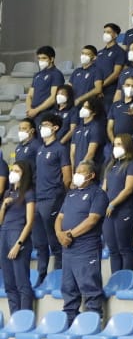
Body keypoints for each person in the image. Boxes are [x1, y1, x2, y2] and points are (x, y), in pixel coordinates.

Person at [56, 161, 107, 323]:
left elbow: (92, 220)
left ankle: (93, 323)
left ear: (91, 175)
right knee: (68, 288)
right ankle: (70, 322)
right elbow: (59, 217)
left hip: (86, 248)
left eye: (81, 172)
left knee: (90, 286)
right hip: (68, 249)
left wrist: (69, 234)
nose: (76, 175)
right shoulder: (71, 194)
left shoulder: (98, 194)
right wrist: (59, 233)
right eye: (76, 171)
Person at [32, 111, 71, 284]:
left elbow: (67, 176)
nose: (42, 128)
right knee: (40, 242)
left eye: (46, 125)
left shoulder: (60, 149)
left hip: (52, 198)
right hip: (39, 199)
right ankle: (41, 276)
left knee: (54, 241)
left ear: (55, 128)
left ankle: (59, 275)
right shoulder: (40, 149)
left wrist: (61, 195)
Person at [0, 161, 36, 315]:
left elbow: (29, 222)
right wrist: (3, 206)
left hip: (18, 237)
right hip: (4, 235)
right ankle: (15, 317)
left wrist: (18, 244)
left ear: (24, 174)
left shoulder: (28, 193)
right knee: (9, 284)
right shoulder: (8, 193)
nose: (13, 173)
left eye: (17, 171)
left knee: (22, 283)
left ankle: (25, 318)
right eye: (12, 170)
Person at [103, 134, 133, 275]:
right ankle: (115, 280)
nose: (116, 147)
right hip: (107, 212)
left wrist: (113, 203)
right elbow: (104, 188)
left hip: (123, 211)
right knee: (113, 249)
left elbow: (128, 189)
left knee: (124, 248)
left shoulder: (132, 165)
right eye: (115, 144)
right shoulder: (111, 165)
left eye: (119, 144)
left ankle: (125, 280)